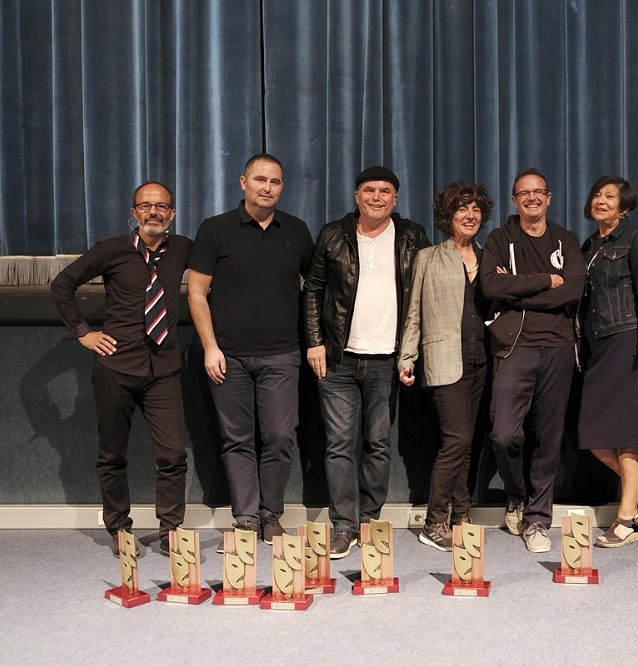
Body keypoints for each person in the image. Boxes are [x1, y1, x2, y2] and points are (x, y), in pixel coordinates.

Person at [51, 181, 191, 556]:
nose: (153, 212)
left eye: (161, 206)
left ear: (172, 214)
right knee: (112, 454)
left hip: (163, 369)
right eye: (145, 206)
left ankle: (171, 529)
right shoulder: (111, 249)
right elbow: (62, 284)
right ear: (133, 212)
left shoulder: (183, 249)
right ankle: (119, 528)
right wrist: (83, 332)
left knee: (173, 455)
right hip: (116, 367)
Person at [188, 154, 314, 550]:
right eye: (260, 179)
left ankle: (270, 514)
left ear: (282, 187)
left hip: (282, 355)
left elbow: (315, 288)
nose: (267, 187)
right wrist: (210, 347)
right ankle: (245, 518)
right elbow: (197, 292)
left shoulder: (296, 230)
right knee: (237, 439)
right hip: (228, 356)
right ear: (243, 182)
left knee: (280, 435)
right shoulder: (215, 229)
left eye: (275, 182)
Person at [303, 166, 430, 559]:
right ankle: (343, 526)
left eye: (385, 191)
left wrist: (410, 353)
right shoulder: (332, 234)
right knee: (340, 444)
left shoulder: (412, 236)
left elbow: (423, 295)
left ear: (395, 198)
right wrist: (315, 342)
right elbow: (313, 290)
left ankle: (368, 520)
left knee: (377, 443)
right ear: (357, 196)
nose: (377, 197)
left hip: (386, 360)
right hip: (338, 359)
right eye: (370, 190)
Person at [480, 168, 585, 553]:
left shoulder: (566, 240)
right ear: (514, 200)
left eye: (538, 191)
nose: (532, 198)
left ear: (549, 197)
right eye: (524, 193)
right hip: (514, 346)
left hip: (558, 347)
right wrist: (544, 280)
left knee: (548, 436)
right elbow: (490, 285)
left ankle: (538, 518)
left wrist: (516, 289)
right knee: (504, 434)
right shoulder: (500, 238)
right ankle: (516, 495)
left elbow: (573, 291)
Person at [398, 181, 493, 551]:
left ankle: (462, 516)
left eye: (475, 210)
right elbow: (414, 312)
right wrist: (407, 357)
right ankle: (435, 521)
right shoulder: (427, 257)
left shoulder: (489, 256)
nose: (470, 216)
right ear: (448, 216)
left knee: (466, 444)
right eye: (461, 209)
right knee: (457, 440)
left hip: (480, 360)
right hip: (443, 359)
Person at [577, 176, 638, 548]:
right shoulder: (589, 245)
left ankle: (626, 518)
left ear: (624, 206)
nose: (600, 200)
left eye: (610, 196)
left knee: (628, 435)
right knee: (596, 437)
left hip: (628, 343)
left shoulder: (636, 238)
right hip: (598, 349)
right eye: (597, 194)